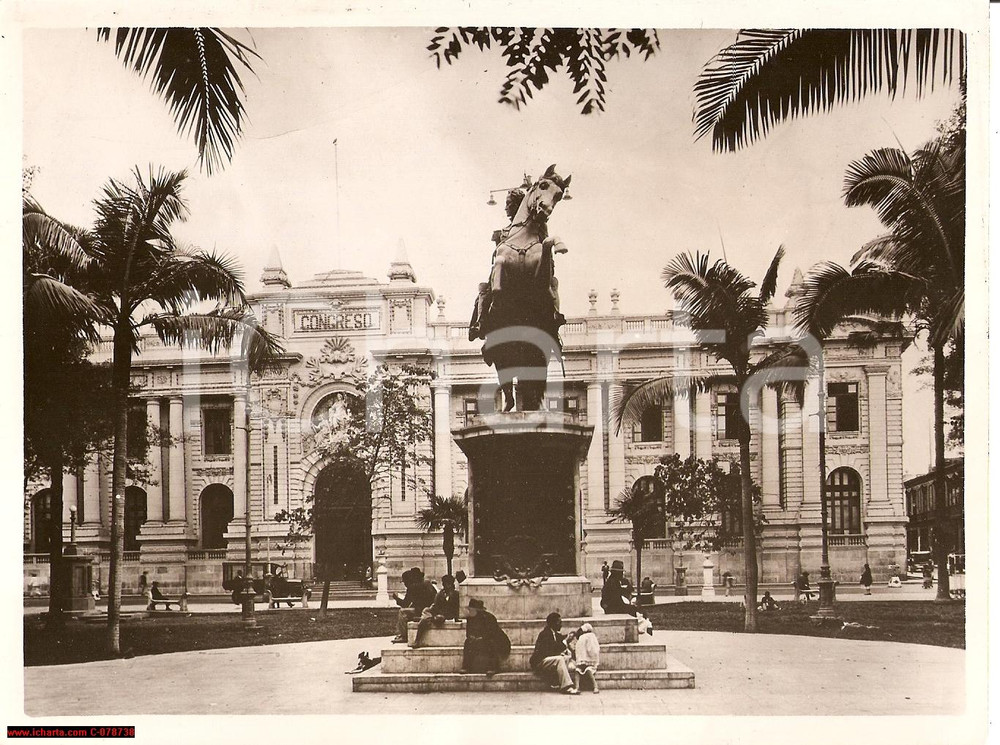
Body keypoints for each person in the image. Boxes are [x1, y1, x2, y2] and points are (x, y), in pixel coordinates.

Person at [530, 612, 578, 694]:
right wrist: (566, 641)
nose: (561, 625)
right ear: (553, 624)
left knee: (565, 658)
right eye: (559, 622)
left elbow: (560, 639)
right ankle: (566, 686)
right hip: (540, 662)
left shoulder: (554, 633)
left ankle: (556, 682)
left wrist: (570, 636)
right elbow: (551, 649)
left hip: (547, 661)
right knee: (560, 659)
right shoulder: (545, 634)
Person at [461, 599, 510, 675]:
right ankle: (466, 666)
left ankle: (493, 667)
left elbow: (493, 633)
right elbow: (468, 633)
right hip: (479, 640)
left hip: (497, 640)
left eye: (471, 610)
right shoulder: (470, 619)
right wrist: (472, 637)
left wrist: (481, 638)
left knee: (491, 643)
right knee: (468, 642)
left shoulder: (489, 618)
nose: (469, 611)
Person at [412, 574, 460, 648]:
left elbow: (456, 609)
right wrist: (430, 610)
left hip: (446, 615)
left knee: (438, 618)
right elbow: (435, 605)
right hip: (436, 612)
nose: (444, 586)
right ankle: (417, 640)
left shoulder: (456, 595)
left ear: (450, 584)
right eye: (444, 584)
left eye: (446, 584)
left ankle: (424, 618)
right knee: (426, 613)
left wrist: (456, 618)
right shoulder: (440, 594)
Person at [392, 568, 437, 643]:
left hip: (421, 611)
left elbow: (405, 604)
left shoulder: (412, 587)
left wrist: (396, 598)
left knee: (402, 612)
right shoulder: (427, 583)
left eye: (405, 582)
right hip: (431, 609)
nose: (405, 584)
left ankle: (404, 636)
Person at [572, 622, 601, 693]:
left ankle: (595, 686)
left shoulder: (590, 637)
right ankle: (577, 687)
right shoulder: (583, 638)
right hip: (582, 662)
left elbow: (592, 649)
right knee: (577, 671)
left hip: (590, 662)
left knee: (588, 670)